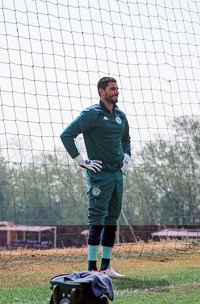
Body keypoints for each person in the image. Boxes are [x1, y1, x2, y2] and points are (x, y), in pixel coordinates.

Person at [60, 77, 131, 278]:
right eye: (112, 89)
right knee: (97, 220)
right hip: (99, 177)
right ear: (102, 92)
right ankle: (92, 269)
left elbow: (126, 140)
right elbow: (66, 135)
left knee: (111, 220)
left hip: (117, 176)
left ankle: (106, 267)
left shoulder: (120, 116)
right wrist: (81, 160)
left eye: (117, 88)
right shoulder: (91, 114)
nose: (117, 92)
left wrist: (127, 156)